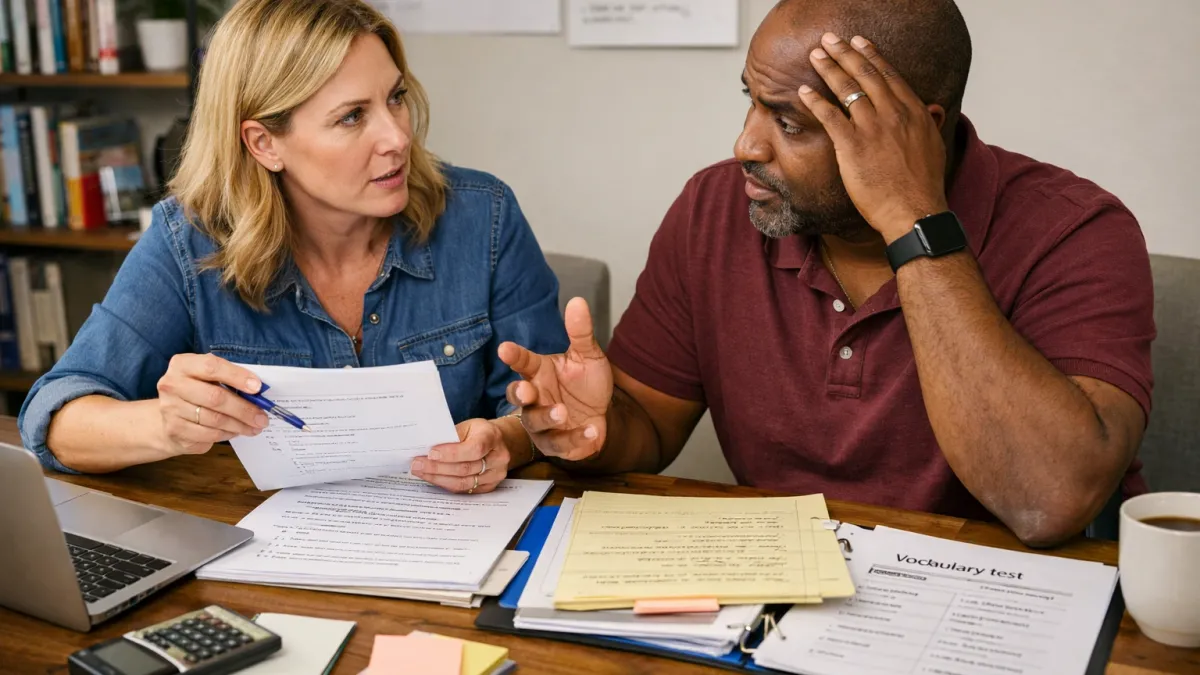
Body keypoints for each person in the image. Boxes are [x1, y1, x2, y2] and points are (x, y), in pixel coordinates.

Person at [499, 0, 1155, 546]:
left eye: (789, 121)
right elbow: (648, 421)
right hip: (783, 595)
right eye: (752, 103)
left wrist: (911, 214)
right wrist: (595, 427)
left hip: (993, 609)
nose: (746, 146)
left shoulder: (1075, 231)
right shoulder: (715, 210)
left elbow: (1048, 500)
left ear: (911, 129)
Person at [17, 0, 568, 495]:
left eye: (395, 97)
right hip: (264, 560)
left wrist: (504, 440)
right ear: (264, 143)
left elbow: (544, 411)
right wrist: (164, 423)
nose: (398, 137)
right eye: (352, 116)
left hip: (452, 554)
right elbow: (56, 415)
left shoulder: (483, 216)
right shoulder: (189, 243)